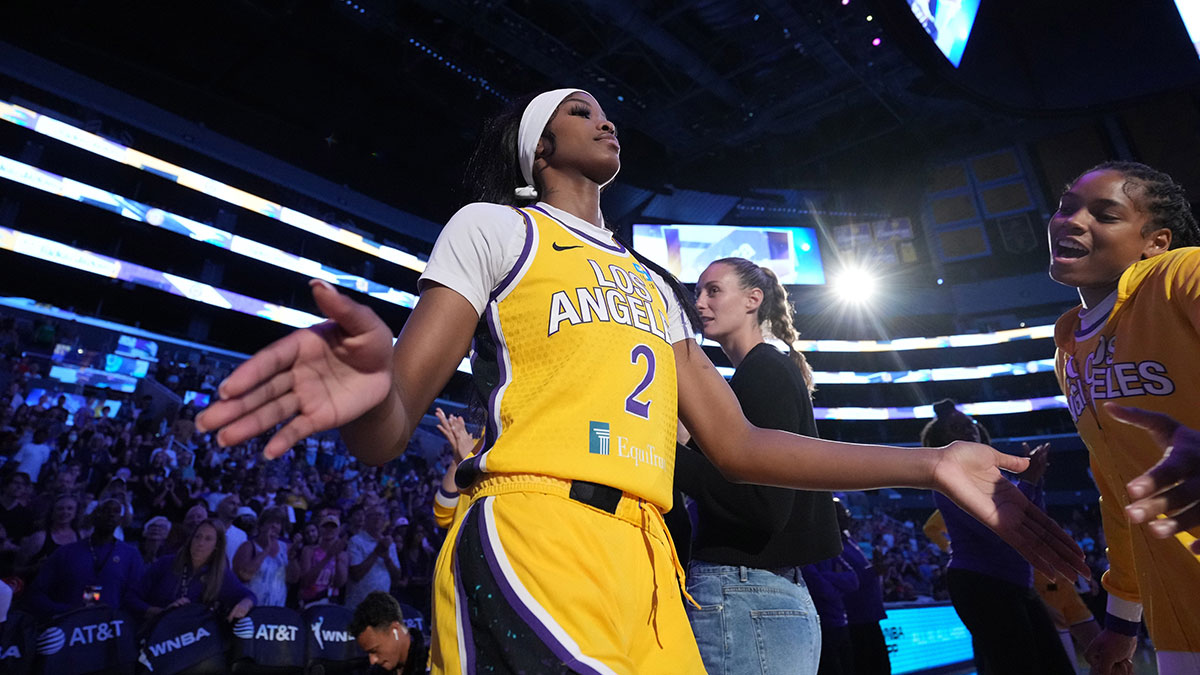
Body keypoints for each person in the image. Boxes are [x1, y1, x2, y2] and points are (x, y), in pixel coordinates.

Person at [196, 88, 1085, 673]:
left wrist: (924, 465)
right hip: (535, 528)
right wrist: (369, 399)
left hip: (652, 560)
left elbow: (742, 446)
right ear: (539, 143)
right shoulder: (495, 228)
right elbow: (392, 425)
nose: (605, 118)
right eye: (581, 111)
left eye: (605, 110)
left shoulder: (657, 287)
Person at [1048, 161, 1200, 673]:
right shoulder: (1069, 349)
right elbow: (1120, 497)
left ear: (1155, 241)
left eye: (1105, 214)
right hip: (1178, 617)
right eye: (1067, 206)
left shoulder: (1181, 273)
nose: (1071, 220)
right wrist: (1121, 621)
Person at [675, 257, 839, 675]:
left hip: (745, 591)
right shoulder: (759, 373)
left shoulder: (762, 372)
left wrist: (665, 452)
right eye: (697, 292)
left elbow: (762, 504)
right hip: (760, 596)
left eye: (714, 290)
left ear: (753, 300)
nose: (700, 302)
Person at [921, 400, 1073, 674]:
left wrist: (1034, 483)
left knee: (1056, 667)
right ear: (943, 440)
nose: (970, 431)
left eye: (971, 425)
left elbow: (1034, 521)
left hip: (1016, 584)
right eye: (958, 428)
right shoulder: (948, 477)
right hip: (982, 585)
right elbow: (999, 530)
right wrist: (1027, 482)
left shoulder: (993, 475)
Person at [24, 498, 144, 620]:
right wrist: (65, 611)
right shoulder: (66, 552)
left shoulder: (131, 555)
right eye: (105, 510)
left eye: (116, 511)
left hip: (111, 629)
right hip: (69, 626)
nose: (111, 514)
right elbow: (35, 594)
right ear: (93, 516)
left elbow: (136, 597)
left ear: (120, 520)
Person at [125, 518, 255, 622]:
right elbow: (131, 597)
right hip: (155, 634)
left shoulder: (221, 575)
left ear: (217, 546)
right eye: (198, 536)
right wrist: (161, 612)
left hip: (192, 645)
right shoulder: (165, 563)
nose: (200, 543)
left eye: (208, 539)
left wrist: (245, 604)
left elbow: (249, 596)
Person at [350, 590, 427, 675]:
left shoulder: (435, 660)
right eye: (368, 653)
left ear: (395, 631)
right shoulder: (376, 671)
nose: (372, 661)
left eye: (374, 651)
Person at [345, 505, 402, 610]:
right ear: (366, 519)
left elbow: (397, 576)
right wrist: (376, 552)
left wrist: (387, 559)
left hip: (381, 606)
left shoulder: (389, 543)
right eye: (374, 515)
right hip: (358, 605)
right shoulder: (356, 541)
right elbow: (356, 574)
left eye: (381, 516)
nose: (377, 519)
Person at [233, 506, 292, 607]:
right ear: (261, 526)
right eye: (270, 522)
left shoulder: (285, 548)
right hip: (251, 609)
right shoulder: (248, 546)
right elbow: (244, 576)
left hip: (278, 609)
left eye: (278, 523)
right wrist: (266, 550)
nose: (274, 526)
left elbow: (292, 579)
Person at [17, 493, 79, 577]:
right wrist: (35, 568)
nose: (65, 512)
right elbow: (16, 569)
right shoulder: (39, 538)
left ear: (76, 513)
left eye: (70, 508)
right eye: (60, 508)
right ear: (52, 512)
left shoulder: (82, 537)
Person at [296, 513, 348, 607]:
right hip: (311, 601)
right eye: (326, 527)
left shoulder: (343, 555)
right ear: (320, 529)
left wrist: (337, 558)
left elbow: (340, 583)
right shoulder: (309, 551)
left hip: (332, 602)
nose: (329, 530)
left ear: (338, 530)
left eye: (333, 527)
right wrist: (327, 557)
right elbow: (305, 581)